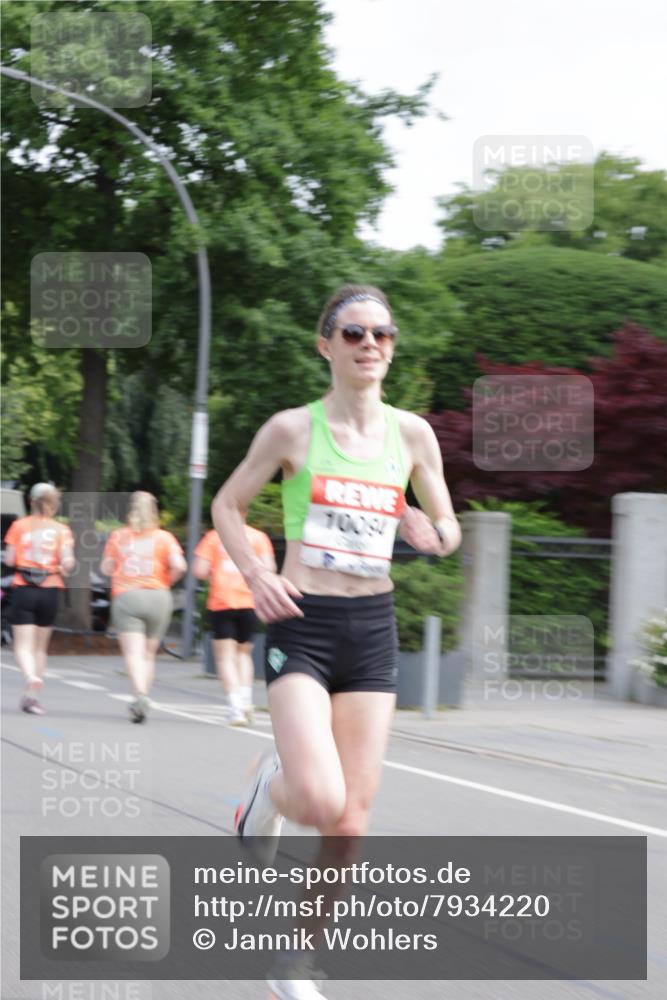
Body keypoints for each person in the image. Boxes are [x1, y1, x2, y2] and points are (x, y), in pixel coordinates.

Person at [212, 284, 462, 1000]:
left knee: (350, 822)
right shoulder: (292, 429)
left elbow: (448, 528)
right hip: (304, 623)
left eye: (382, 333)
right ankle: (268, 788)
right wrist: (257, 572)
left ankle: (296, 960)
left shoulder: (412, 435)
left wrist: (432, 532)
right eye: (353, 333)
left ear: (392, 347)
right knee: (320, 801)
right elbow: (227, 504)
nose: (369, 344)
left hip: (372, 629)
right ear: (326, 346)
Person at [101, 491, 186, 723]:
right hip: (159, 597)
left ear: (131, 510)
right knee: (148, 654)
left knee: (133, 653)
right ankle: (144, 696)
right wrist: (167, 581)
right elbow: (180, 565)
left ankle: (140, 695)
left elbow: (106, 567)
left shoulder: (118, 536)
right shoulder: (164, 537)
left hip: (128, 597)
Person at [193, 519, 275, 726]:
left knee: (225, 658)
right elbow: (270, 568)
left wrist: (216, 571)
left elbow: (199, 570)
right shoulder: (259, 537)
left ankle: (235, 708)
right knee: (243, 654)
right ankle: (247, 701)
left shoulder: (214, 537)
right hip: (249, 601)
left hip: (222, 601)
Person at [4, 483, 75, 715]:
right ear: (54, 503)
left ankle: (30, 677)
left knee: (22, 645)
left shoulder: (19, 526)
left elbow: (10, 560)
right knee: (40, 648)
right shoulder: (62, 530)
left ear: (31, 502)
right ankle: (33, 699)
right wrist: (64, 564)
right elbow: (68, 562)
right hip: (50, 589)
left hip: (24, 589)